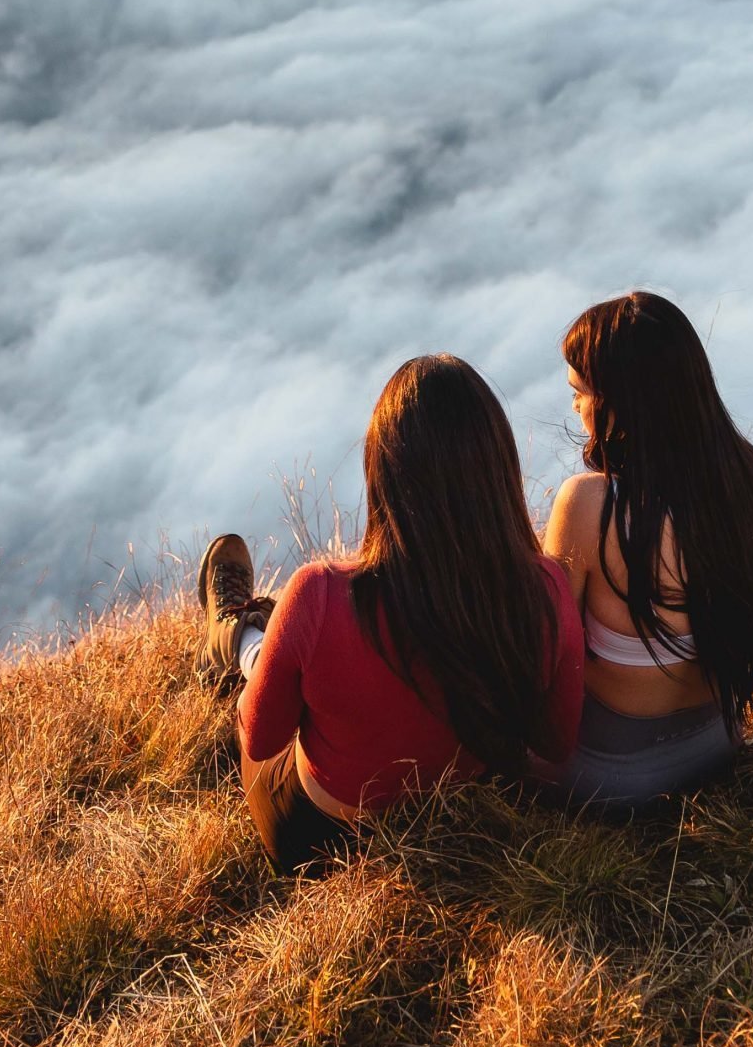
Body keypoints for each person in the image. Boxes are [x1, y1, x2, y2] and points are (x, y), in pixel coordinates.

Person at [195, 353, 586, 871]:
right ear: (498, 467)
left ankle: (238, 636)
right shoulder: (545, 591)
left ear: (385, 473)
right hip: (465, 819)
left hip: (321, 839)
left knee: (266, 663)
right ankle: (249, 637)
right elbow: (556, 744)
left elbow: (261, 736)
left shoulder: (319, 593)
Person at [541, 291, 753, 810]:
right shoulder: (752, 485)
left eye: (579, 392)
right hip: (718, 745)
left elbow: (547, 657)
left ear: (621, 402)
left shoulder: (589, 504)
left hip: (609, 779)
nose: (575, 406)